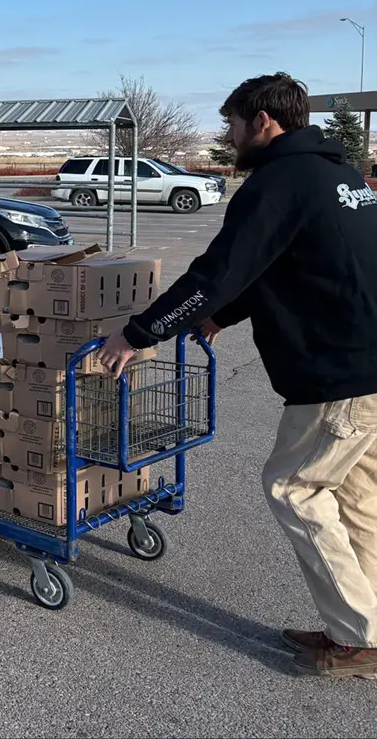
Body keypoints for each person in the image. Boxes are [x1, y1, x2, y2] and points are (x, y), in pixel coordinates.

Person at [96, 72, 377, 678]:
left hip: (340, 372)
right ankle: (362, 625)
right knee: (357, 501)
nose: (228, 137)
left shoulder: (276, 184)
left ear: (263, 122)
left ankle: (360, 638)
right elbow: (289, 266)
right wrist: (222, 316)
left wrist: (140, 331)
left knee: (294, 489)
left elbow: (218, 271)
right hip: (369, 365)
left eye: (231, 123)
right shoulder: (340, 176)